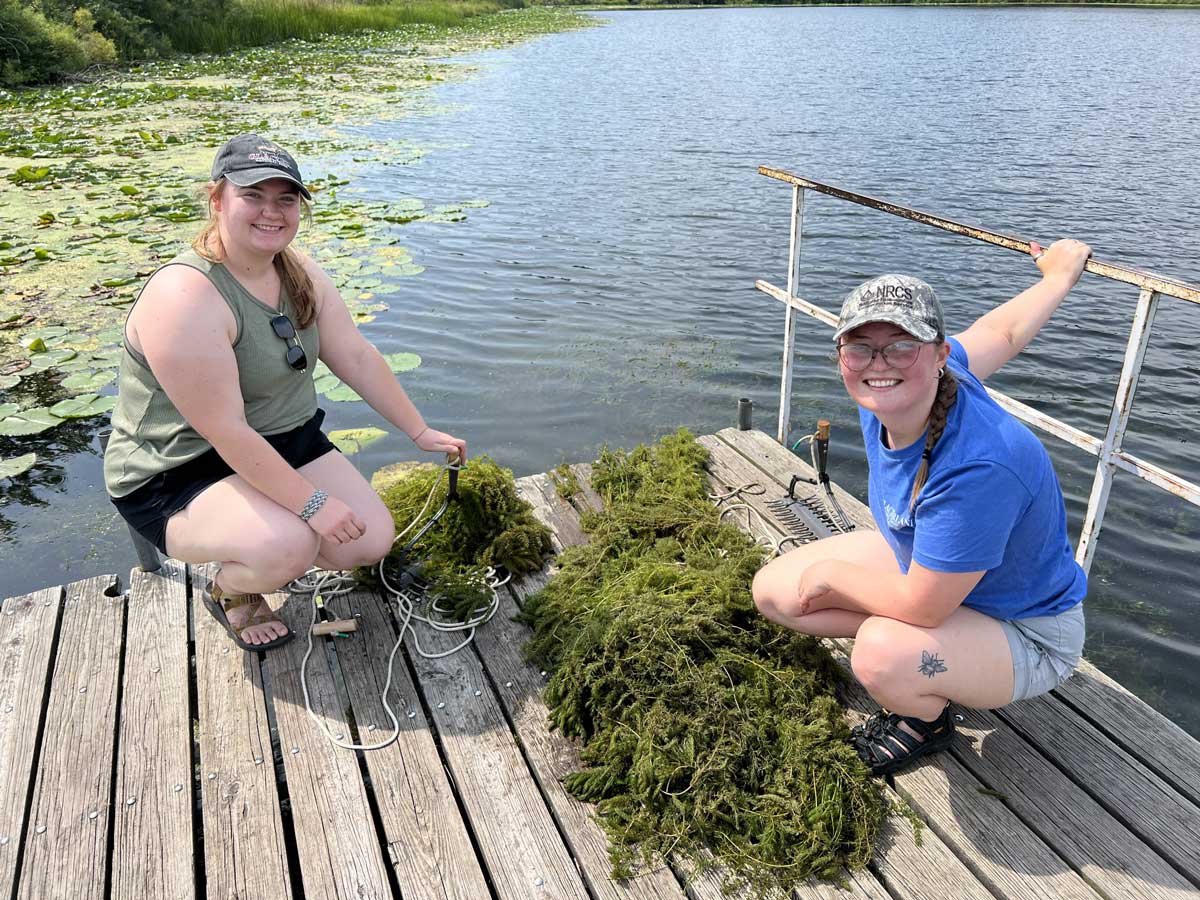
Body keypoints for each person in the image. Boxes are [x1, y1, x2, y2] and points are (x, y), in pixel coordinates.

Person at [104, 134, 466, 652]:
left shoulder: (297, 271)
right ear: (217, 199)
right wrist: (312, 503)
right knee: (290, 545)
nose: (271, 212)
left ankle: (260, 541)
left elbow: (355, 356)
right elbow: (225, 430)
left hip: (279, 438)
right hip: (176, 470)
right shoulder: (185, 296)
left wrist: (419, 429)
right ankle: (232, 590)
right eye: (253, 195)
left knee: (368, 540)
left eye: (286, 199)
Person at [751, 238, 1092, 775]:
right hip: (938, 580)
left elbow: (925, 608)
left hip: (1029, 631)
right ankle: (934, 662)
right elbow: (1002, 331)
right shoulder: (898, 393)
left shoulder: (981, 465)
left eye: (900, 346)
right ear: (842, 356)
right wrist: (1057, 278)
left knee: (879, 651)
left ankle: (925, 720)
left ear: (937, 356)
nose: (878, 364)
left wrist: (831, 573)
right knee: (774, 593)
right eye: (860, 347)